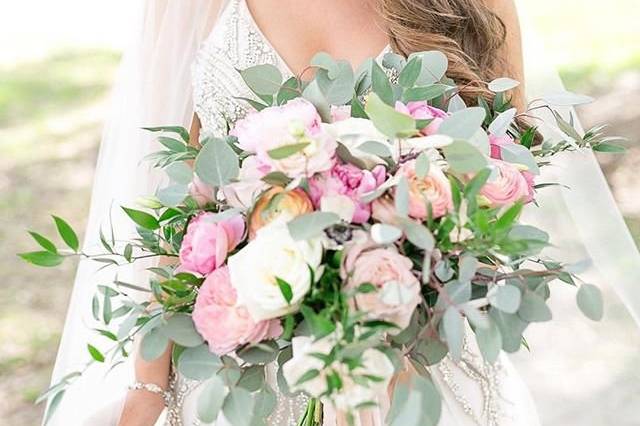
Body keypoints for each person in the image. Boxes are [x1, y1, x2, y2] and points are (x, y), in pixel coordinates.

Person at [47, 0, 640, 425]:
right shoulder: (190, 8)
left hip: (417, 368)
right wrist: (146, 392)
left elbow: (504, 184)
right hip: (239, 382)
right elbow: (181, 219)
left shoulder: (472, 6)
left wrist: (389, 280)